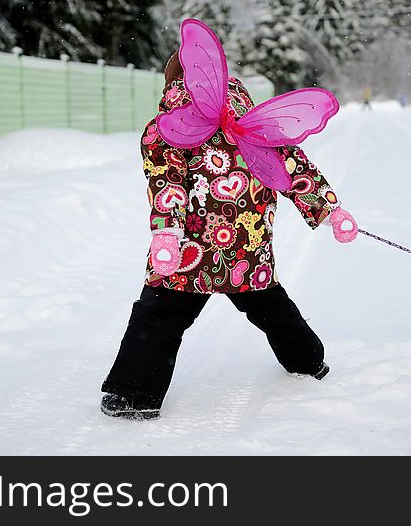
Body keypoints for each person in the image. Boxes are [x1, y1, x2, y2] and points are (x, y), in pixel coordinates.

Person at [100, 49, 358, 420]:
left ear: (171, 85)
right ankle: (309, 362)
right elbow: (293, 166)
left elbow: (166, 183)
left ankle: (135, 395)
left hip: (190, 251)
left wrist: (166, 231)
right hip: (247, 245)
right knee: (271, 306)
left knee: (159, 316)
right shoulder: (256, 123)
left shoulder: (168, 128)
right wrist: (329, 210)